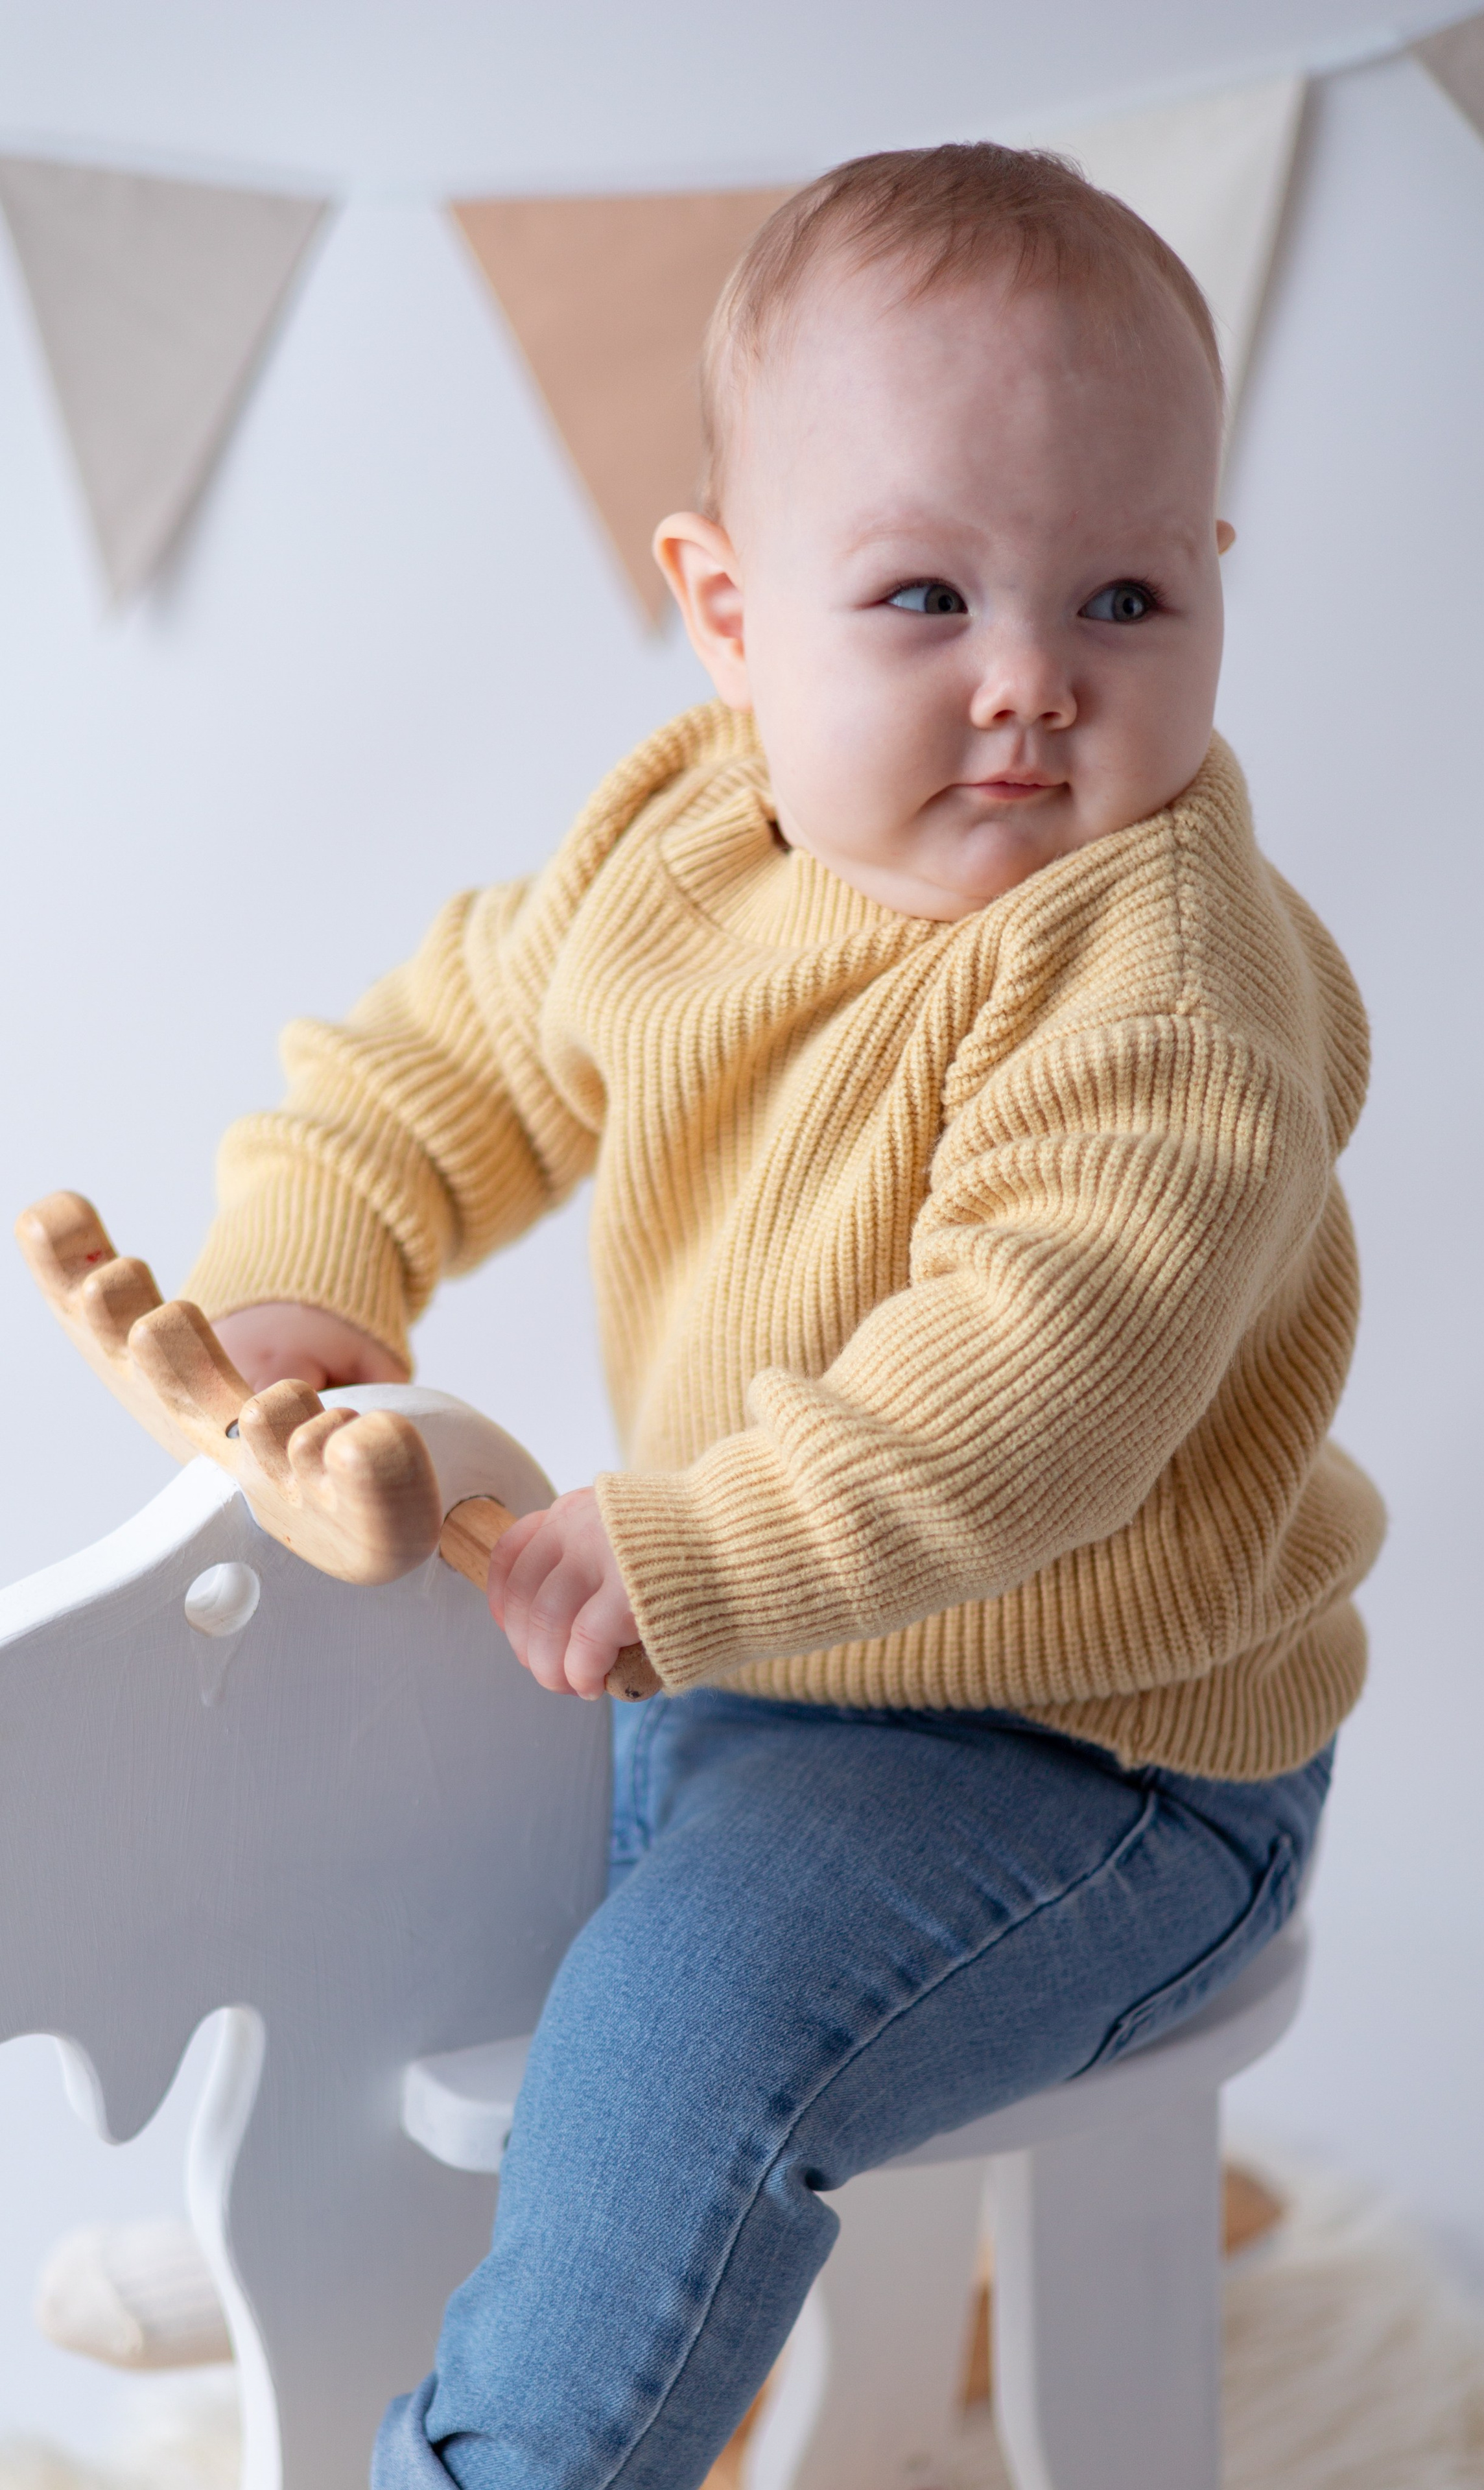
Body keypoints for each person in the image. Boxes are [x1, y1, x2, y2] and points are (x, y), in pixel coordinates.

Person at [189, 143, 1385, 2489]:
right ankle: (341, 2273)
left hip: (1090, 1753)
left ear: (1216, 591)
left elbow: (1033, 1388)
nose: (1033, 684)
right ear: (730, 616)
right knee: (378, 1836)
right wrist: (313, 1262)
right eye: (927, 595)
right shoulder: (690, 842)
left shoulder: (1165, 990)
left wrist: (698, 1543)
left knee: (680, 2031)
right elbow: (465, 1041)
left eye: (1123, 596)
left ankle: (510, 2449)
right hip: (768, 1656)